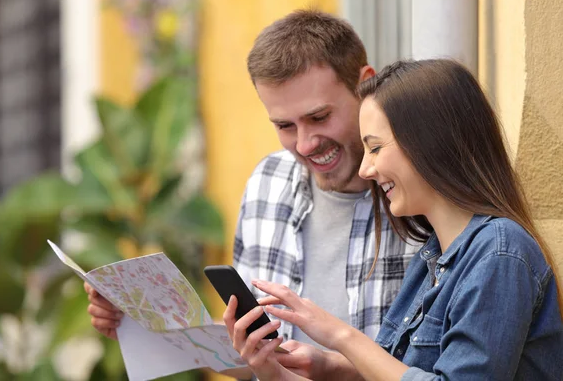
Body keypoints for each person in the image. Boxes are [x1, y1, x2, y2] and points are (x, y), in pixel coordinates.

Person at [85, 10, 418, 379]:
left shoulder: (421, 191)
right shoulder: (268, 182)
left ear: (365, 86)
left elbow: (443, 369)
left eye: (319, 117)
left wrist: (331, 369)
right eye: (284, 126)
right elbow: (254, 359)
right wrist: (138, 322)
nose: (305, 144)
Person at [225, 59, 563, 380]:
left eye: (375, 148)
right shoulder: (430, 259)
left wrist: (340, 336)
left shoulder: (501, 253)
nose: (365, 170)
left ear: (429, 143)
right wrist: (278, 374)